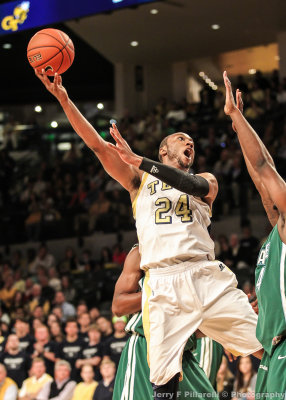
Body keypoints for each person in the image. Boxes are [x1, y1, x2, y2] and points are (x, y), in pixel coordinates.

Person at [35, 70, 262, 400]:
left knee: (263, 346)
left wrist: (141, 161)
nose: (189, 143)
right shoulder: (139, 182)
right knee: (163, 383)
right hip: (162, 281)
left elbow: (193, 185)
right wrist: (64, 99)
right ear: (164, 149)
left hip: (205, 274)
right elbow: (97, 146)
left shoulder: (206, 179)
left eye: (192, 142)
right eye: (181, 139)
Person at [224, 71, 286, 397]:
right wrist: (239, 129)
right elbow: (261, 180)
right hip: (271, 352)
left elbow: (265, 166)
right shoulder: (276, 230)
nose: (270, 199)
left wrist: (237, 118)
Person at [112, 244, 219, 400]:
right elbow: (118, 305)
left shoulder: (198, 254)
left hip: (182, 351)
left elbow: (195, 326)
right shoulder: (141, 252)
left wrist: (227, 326)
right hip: (146, 347)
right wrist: (163, 292)